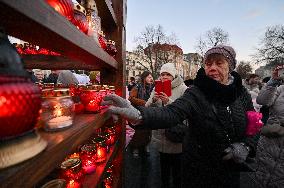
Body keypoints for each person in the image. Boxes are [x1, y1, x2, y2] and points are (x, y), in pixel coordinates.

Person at [102, 45, 259, 188]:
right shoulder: (196, 92)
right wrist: (139, 115)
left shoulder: (241, 93)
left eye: (219, 63)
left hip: (230, 173)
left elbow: (254, 123)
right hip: (199, 171)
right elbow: (172, 112)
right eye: (208, 64)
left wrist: (246, 146)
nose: (212, 68)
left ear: (230, 67)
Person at [145, 63, 187, 188]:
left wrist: (168, 102)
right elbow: (147, 108)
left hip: (176, 136)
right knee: (162, 171)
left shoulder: (183, 89)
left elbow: (185, 113)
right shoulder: (157, 87)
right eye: (162, 74)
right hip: (160, 135)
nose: (164, 77)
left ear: (173, 75)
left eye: (167, 74)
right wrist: (153, 100)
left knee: (177, 172)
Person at [254, 66, 284, 188]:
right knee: (262, 178)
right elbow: (261, 101)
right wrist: (273, 81)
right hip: (269, 143)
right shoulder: (281, 89)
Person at [128, 71, 154, 157]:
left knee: (148, 130)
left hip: (149, 112)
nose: (151, 79)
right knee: (139, 130)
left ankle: (145, 145)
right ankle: (136, 147)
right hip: (138, 111)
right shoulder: (137, 86)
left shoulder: (152, 88)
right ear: (144, 78)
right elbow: (131, 98)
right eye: (149, 77)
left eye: (151, 77)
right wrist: (144, 103)